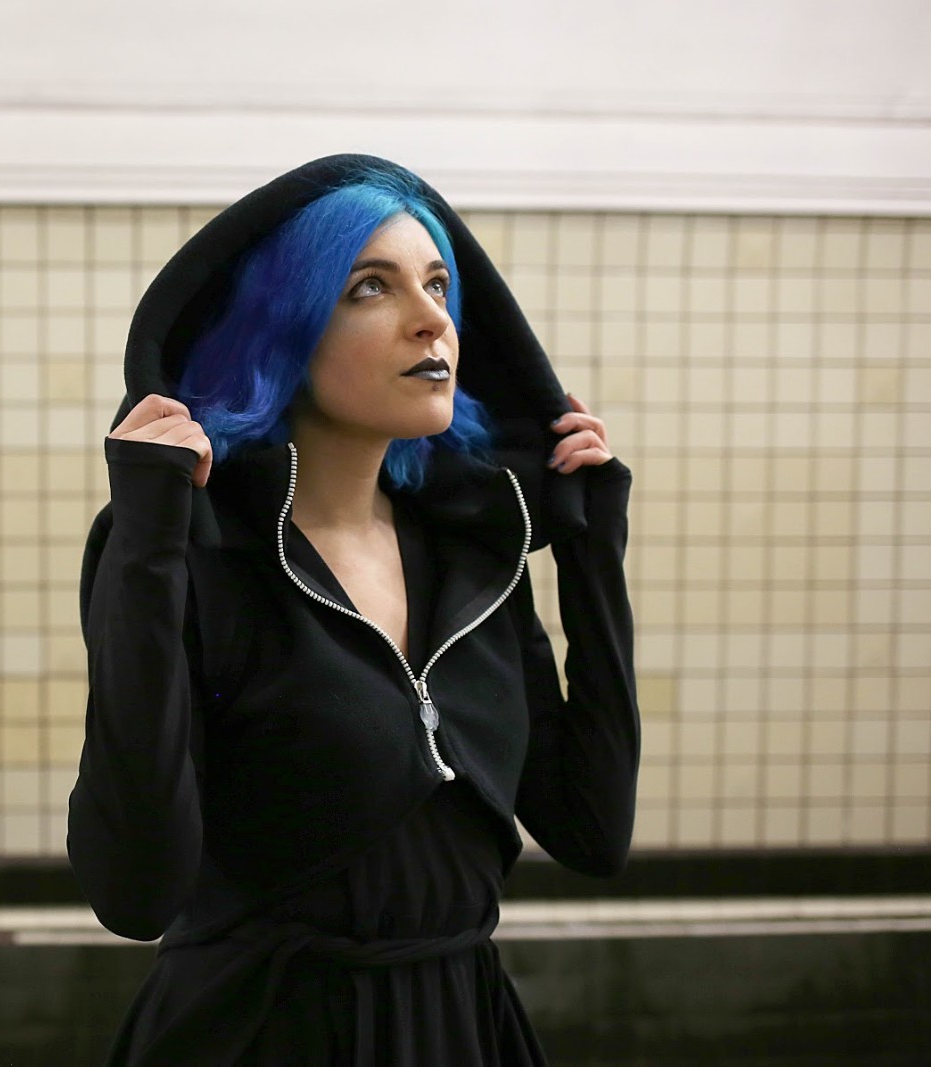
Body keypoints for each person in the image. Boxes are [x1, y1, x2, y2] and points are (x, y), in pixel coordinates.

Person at [68, 154, 639, 1066]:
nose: (431, 318)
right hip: (260, 1033)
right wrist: (146, 544)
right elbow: (136, 890)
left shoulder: (476, 558)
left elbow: (592, 828)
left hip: (463, 1025)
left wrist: (591, 552)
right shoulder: (200, 558)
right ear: (281, 330)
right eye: (370, 287)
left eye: (438, 284)